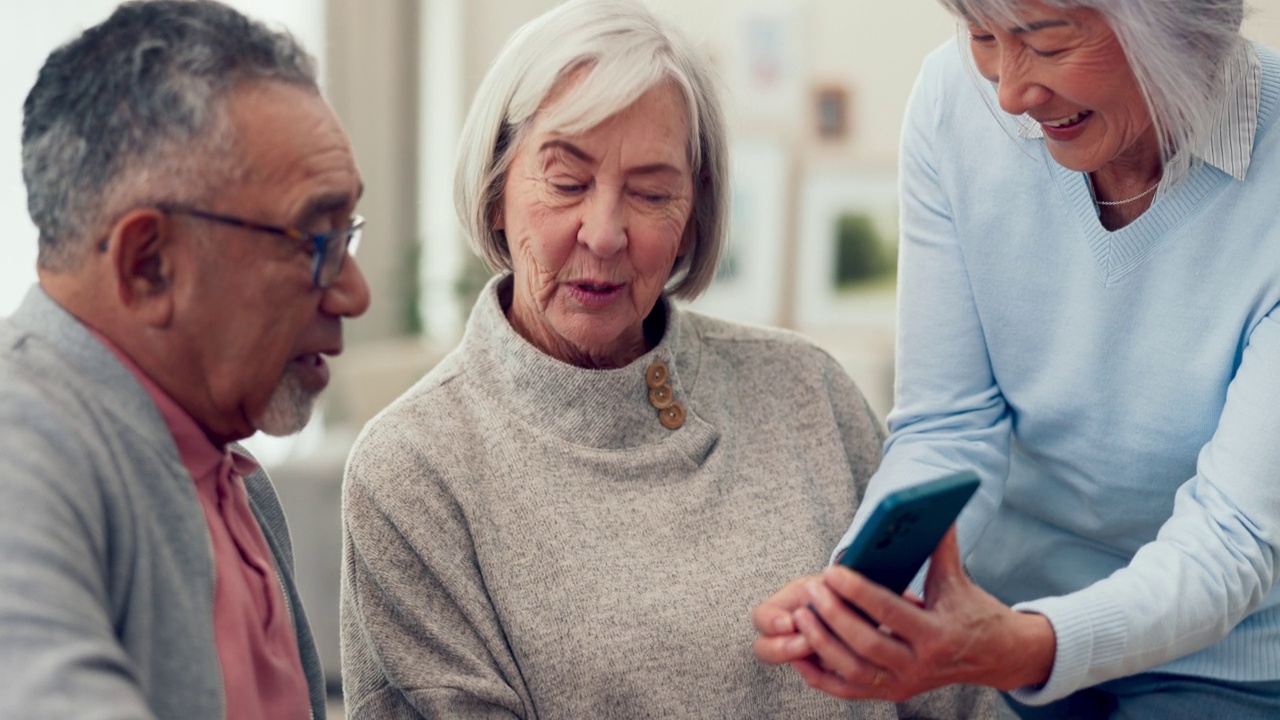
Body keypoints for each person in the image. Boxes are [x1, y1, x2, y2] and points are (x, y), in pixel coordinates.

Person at [338, 0, 992, 717]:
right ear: (497, 191)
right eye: (566, 182)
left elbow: (954, 696)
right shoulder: (413, 469)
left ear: (692, 220)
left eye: (651, 193)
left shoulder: (810, 391)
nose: (607, 231)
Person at [753, 0, 1280, 717]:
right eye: (982, 37)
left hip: (1218, 663)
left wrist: (1030, 645)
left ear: (1178, 26)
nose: (1008, 92)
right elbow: (950, 427)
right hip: (995, 624)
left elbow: (1234, 536)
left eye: (1049, 45)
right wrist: (865, 599)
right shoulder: (954, 103)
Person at [0, 1, 370, 718]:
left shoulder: (230, 475)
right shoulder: (21, 446)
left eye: (344, 233)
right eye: (314, 242)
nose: (355, 293)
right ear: (149, 265)